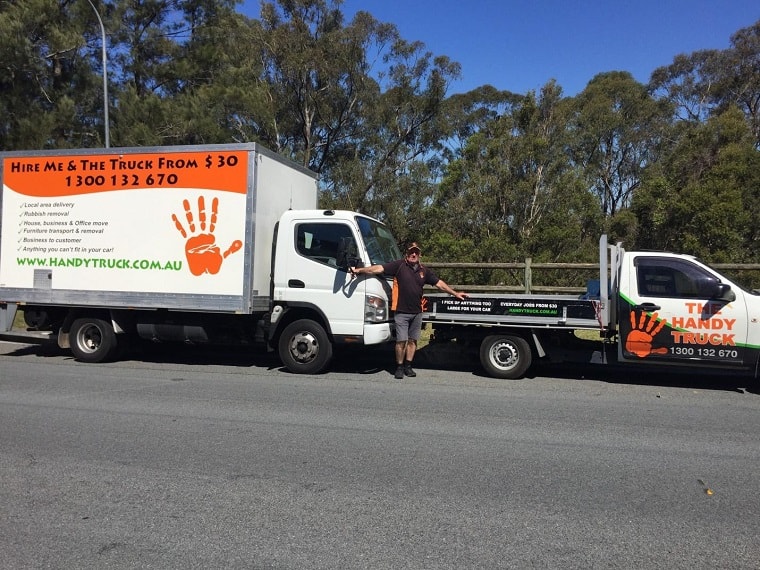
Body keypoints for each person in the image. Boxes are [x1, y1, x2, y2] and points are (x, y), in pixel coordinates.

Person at [350, 242, 468, 379]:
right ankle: (399, 367)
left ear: (419, 255)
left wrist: (455, 293)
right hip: (401, 312)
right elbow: (378, 269)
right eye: (411, 252)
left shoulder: (424, 271)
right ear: (407, 254)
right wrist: (359, 270)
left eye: (416, 252)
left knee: (413, 341)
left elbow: (439, 284)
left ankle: (408, 366)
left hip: (417, 312)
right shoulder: (399, 265)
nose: (414, 254)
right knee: (401, 341)